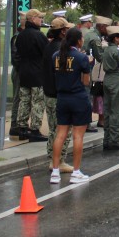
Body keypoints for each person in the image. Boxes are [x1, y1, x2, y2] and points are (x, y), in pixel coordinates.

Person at [50, 27, 93, 184]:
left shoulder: (56, 55)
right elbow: (86, 81)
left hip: (62, 97)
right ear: (79, 41)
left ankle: (55, 171)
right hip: (78, 97)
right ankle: (76, 172)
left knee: (60, 134)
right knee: (77, 136)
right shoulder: (81, 57)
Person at [42, 17, 74, 174]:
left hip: (48, 92)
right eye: (67, 29)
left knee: (53, 129)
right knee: (63, 130)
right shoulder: (61, 50)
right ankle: (58, 160)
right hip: (58, 94)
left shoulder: (48, 46)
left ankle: (52, 158)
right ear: (62, 32)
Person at [15, 9, 49, 143]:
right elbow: (46, 53)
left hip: (24, 73)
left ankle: (22, 128)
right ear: (33, 19)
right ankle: (35, 130)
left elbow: (17, 55)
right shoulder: (38, 35)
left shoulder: (21, 35)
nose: (41, 20)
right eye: (40, 17)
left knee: (24, 101)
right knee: (37, 102)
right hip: (37, 73)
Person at [86, 15, 110, 131]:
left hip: (85, 66)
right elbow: (100, 57)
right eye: (107, 27)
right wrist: (109, 50)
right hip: (87, 68)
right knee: (88, 96)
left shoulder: (91, 34)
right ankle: (86, 123)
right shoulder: (95, 38)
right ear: (102, 27)